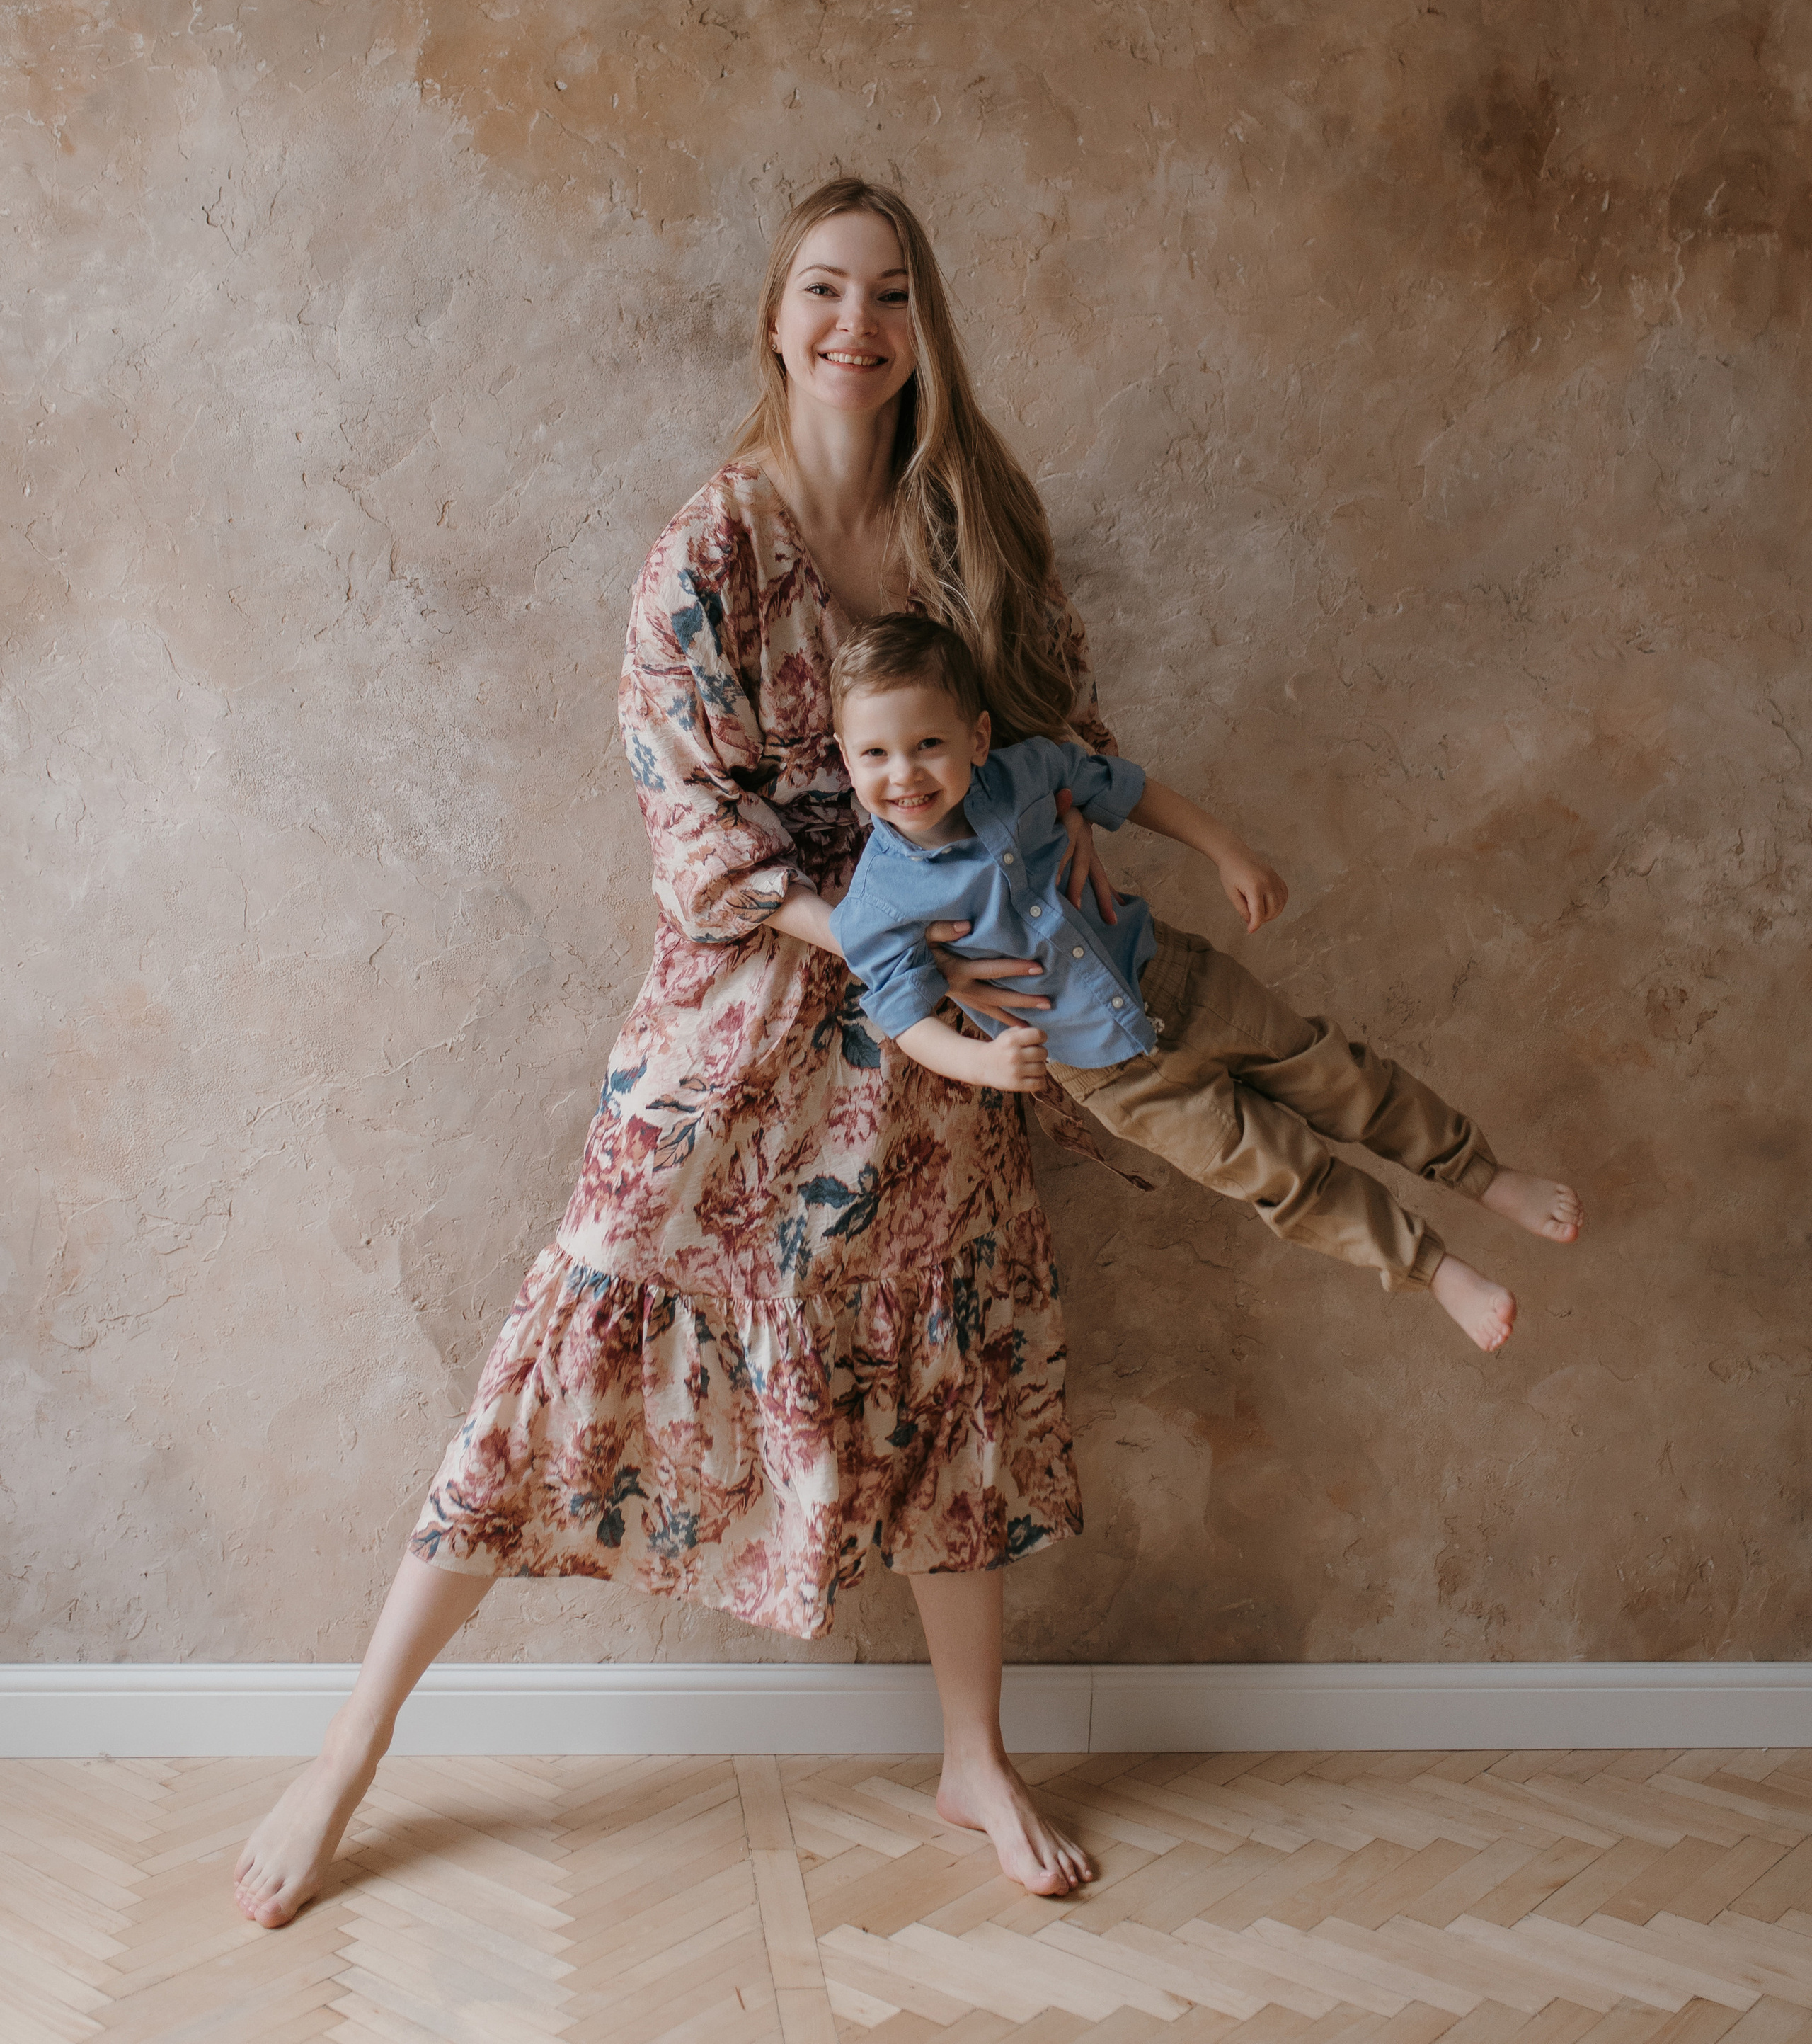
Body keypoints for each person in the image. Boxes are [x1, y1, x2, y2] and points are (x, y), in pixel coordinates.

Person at [234, 178, 1125, 1927]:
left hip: (939, 1033)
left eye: (884, 293)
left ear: (920, 324)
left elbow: (1055, 723)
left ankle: (971, 1752)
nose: (850, 323)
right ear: (773, 317)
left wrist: (1053, 870)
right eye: (818, 289)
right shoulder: (709, 542)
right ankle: (347, 1741)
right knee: (582, 1307)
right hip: (757, 1007)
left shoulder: (975, 522)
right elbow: (693, 833)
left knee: (943, 1350)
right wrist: (880, 936)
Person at [825, 612, 1582, 1351]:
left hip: (1180, 980)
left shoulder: (1026, 773)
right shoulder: (877, 903)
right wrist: (981, 1063)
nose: (905, 774)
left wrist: (1227, 850)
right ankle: (1435, 1269)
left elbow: (1126, 790)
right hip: (1114, 1080)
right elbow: (907, 1017)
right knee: (1282, 1174)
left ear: (976, 737)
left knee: (1338, 1076)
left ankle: (1481, 1174)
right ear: (846, 758)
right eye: (876, 755)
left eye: (928, 744)